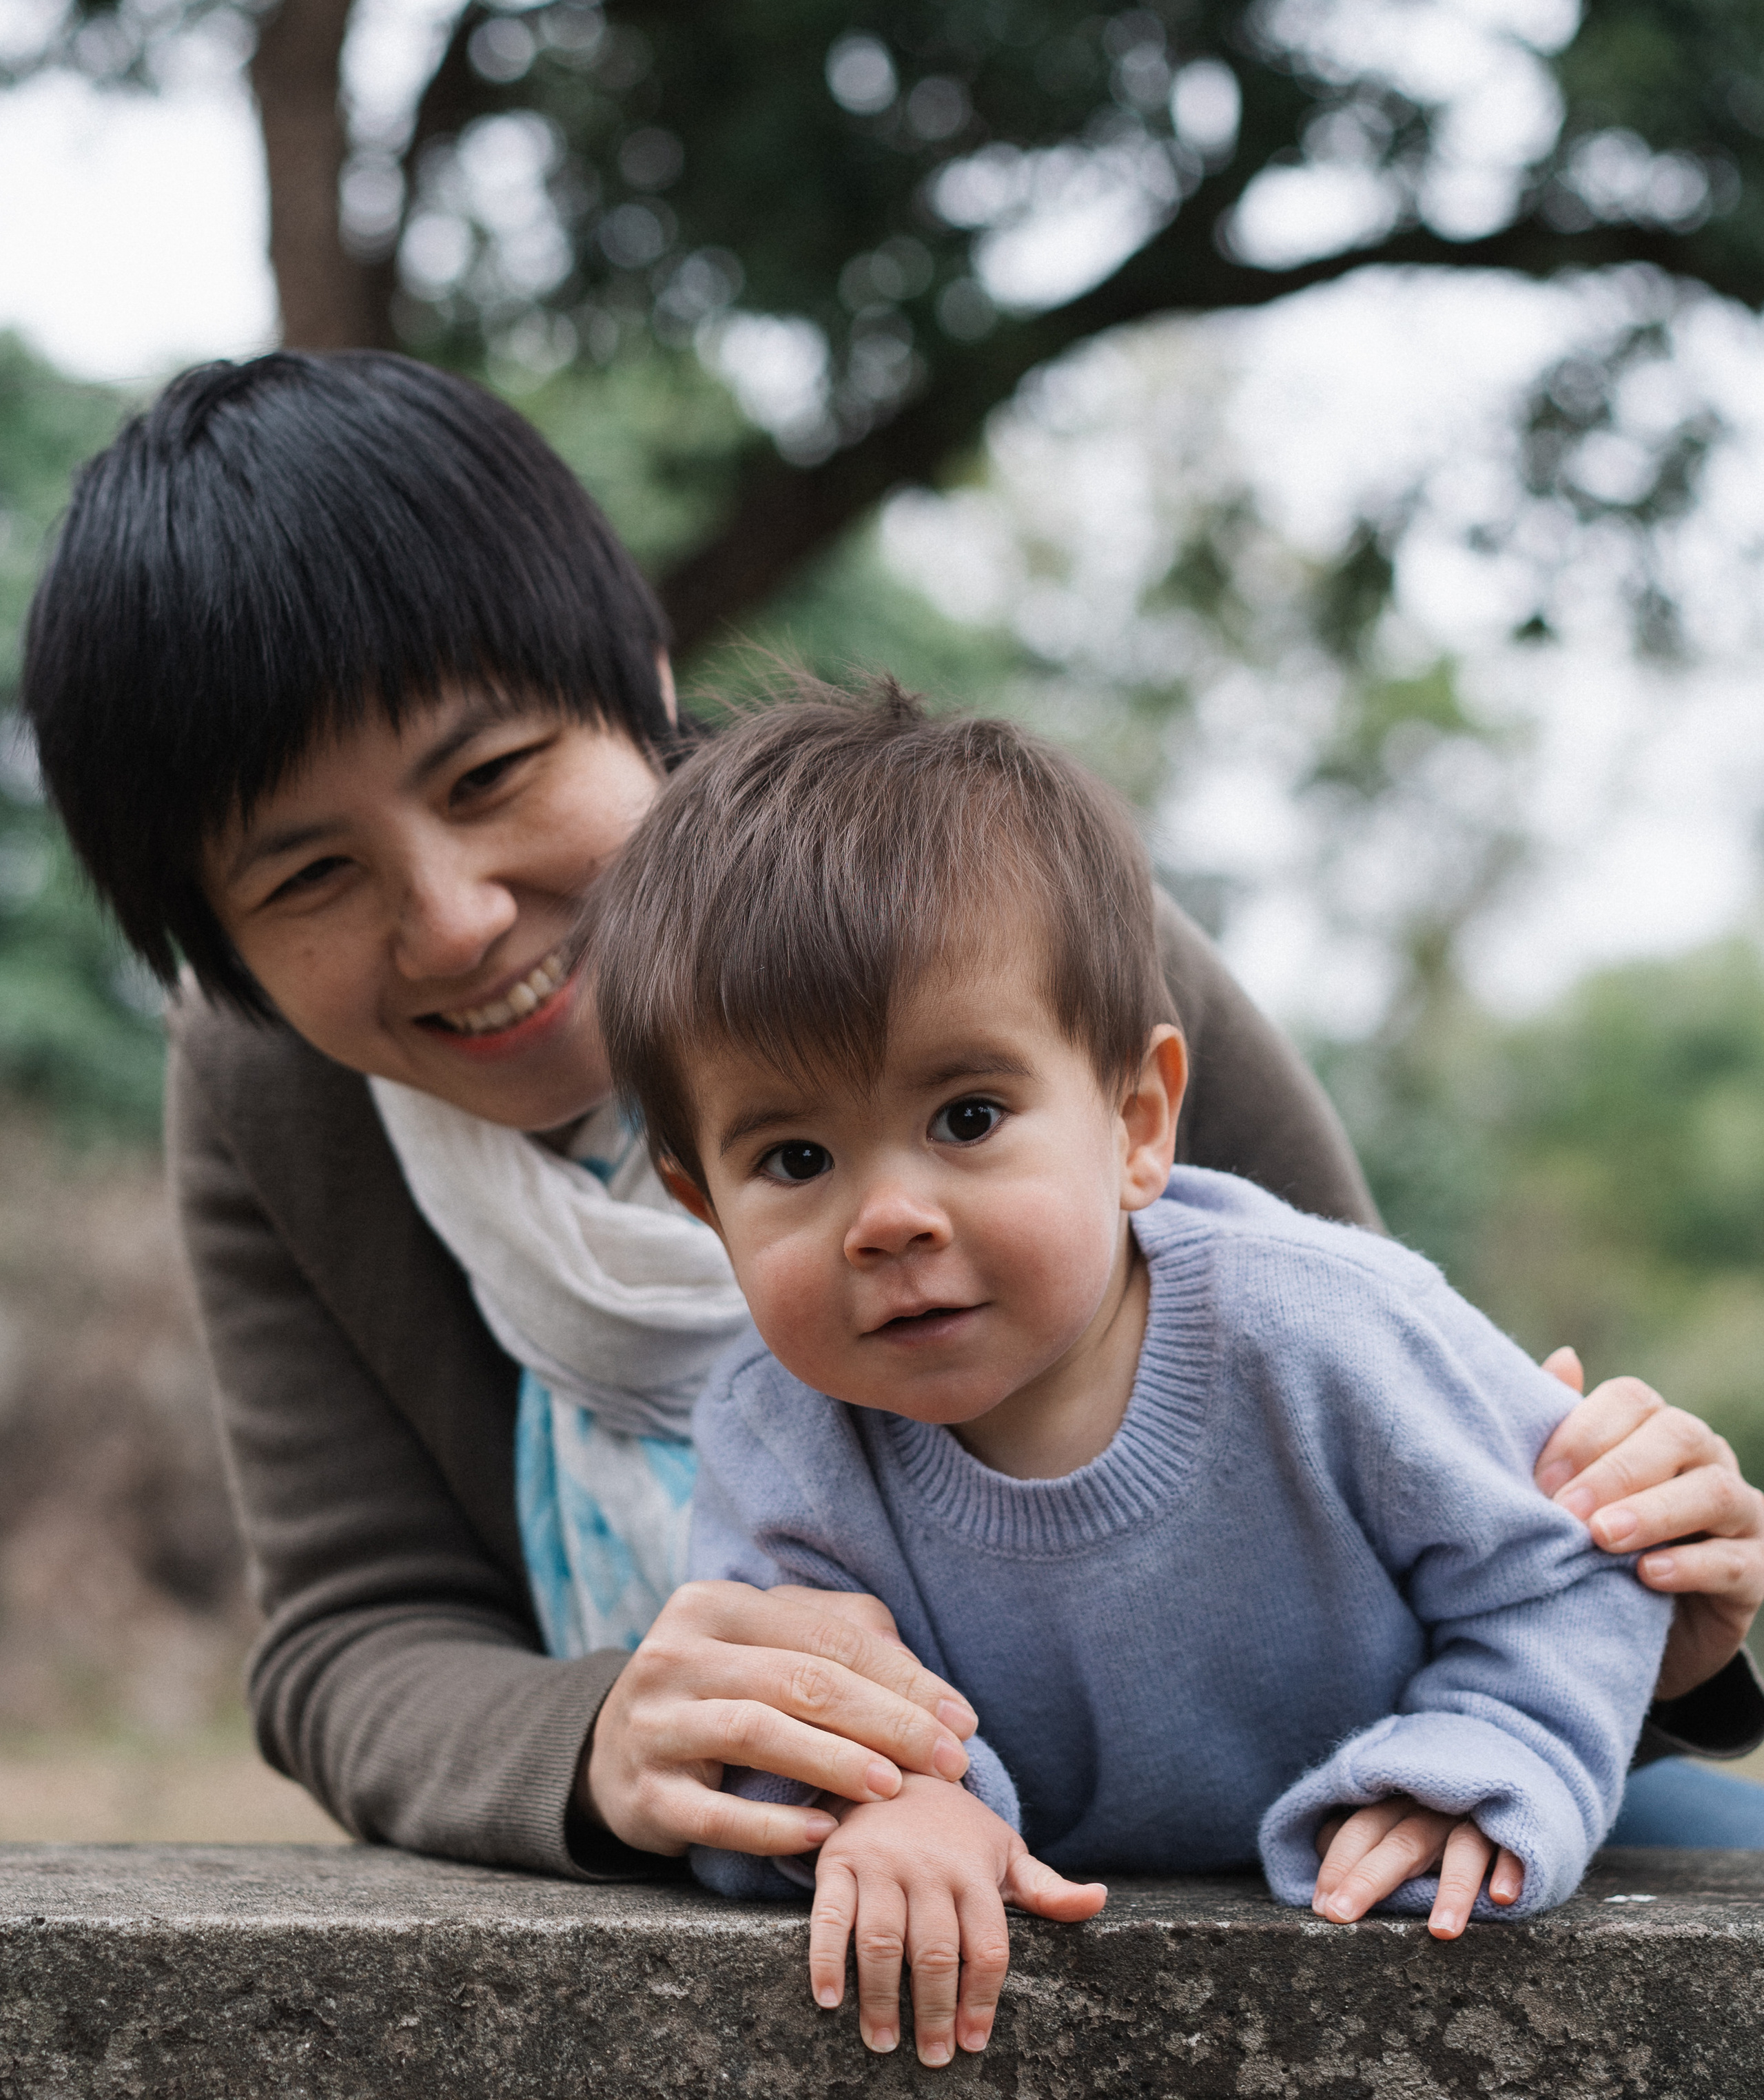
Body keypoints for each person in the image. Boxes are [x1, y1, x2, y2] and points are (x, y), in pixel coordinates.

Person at [19, 351, 1764, 1884]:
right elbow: (351, 1628)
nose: (455, 919)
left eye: (491, 777)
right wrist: (604, 1740)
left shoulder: (982, 935)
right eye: (308, 877)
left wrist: (1646, 1596)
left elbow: (1386, 1443)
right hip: (832, 1857)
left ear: (639, 681)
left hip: (1327, 1794)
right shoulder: (276, 1090)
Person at [590, 682, 1671, 2063]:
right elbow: (771, 1724)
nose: (888, 1218)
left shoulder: (1324, 1325)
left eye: (967, 1116)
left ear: (1137, 1119)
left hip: (1390, 1923)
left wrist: (1482, 1760)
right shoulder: (777, 1437)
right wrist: (893, 1809)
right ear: (703, 1205)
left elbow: (1571, 1567)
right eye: (794, 1159)